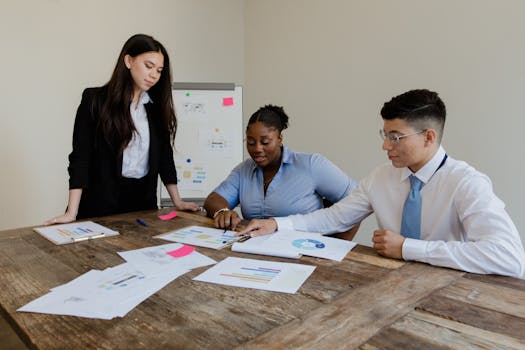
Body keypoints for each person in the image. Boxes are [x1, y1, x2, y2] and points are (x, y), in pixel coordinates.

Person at [240, 89, 525, 278]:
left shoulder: (466, 183)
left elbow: (509, 258)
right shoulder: (381, 177)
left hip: (449, 290)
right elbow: (335, 217)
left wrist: (408, 248)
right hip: (386, 285)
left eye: (395, 137)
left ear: (428, 137)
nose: (385, 146)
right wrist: (278, 224)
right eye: (384, 134)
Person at [46, 34, 199, 224]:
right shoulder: (95, 100)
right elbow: (80, 158)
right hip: (99, 205)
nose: (154, 75)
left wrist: (178, 201)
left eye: (159, 70)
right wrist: (72, 212)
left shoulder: (155, 108)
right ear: (128, 60)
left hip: (142, 206)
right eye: (148, 66)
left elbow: (164, 158)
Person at [203, 105, 358, 238]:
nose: (257, 148)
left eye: (265, 142)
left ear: (279, 139)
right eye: (250, 142)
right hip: (255, 254)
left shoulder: (311, 165)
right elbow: (213, 199)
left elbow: (356, 201)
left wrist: (336, 245)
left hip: (304, 255)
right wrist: (222, 211)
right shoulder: (244, 170)